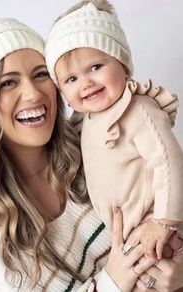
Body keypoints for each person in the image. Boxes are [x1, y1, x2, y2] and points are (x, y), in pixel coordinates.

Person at [0, 18, 183, 292]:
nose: (33, 93)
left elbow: (168, 203)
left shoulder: (97, 149)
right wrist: (112, 283)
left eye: (40, 75)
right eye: (8, 83)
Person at [45, 0, 183, 261]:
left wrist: (164, 220)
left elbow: (168, 162)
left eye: (96, 67)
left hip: (159, 230)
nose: (86, 83)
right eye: (71, 79)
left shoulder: (138, 111)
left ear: (123, 63)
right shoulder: (86, 121)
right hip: (128, 239)